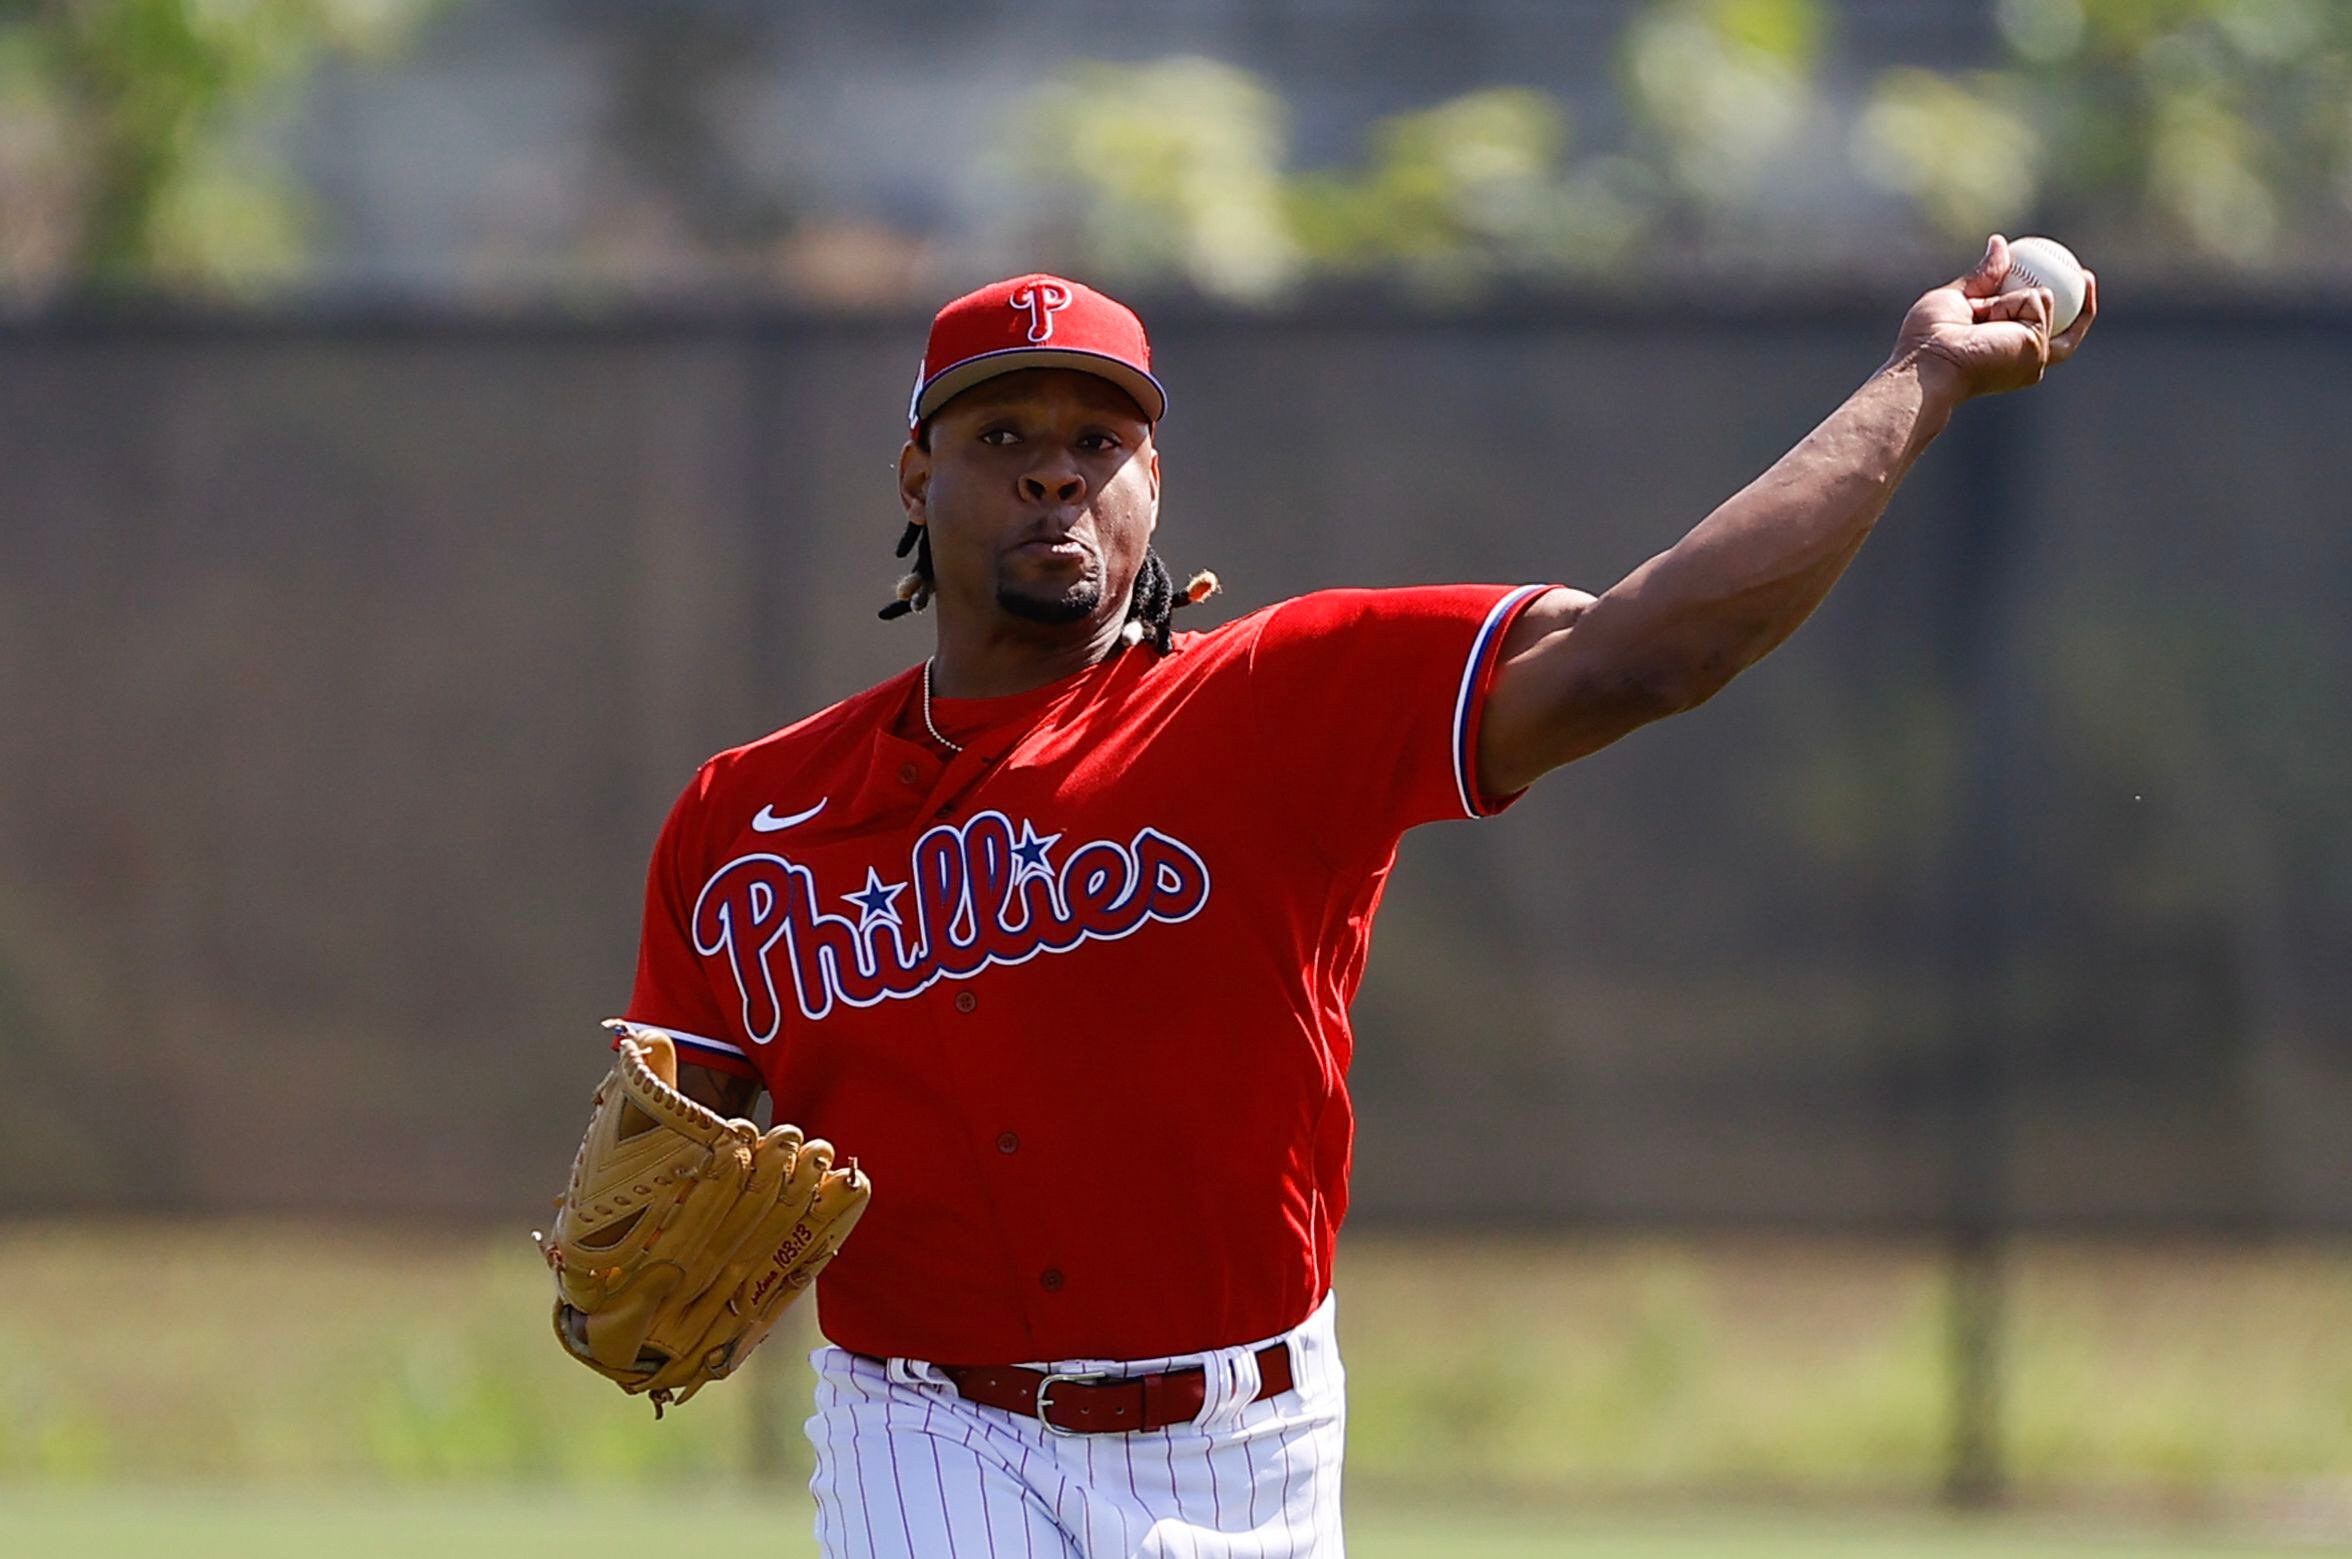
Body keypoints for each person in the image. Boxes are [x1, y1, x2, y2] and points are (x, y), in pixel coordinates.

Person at [617, 241, 2096, 1557]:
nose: (1055, 470)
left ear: (1153, 483)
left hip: (1242, 1444)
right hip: (921, 1426)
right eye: (1001, 435)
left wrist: (1919, 381)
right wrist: (613, 1266)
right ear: (915, 478)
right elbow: (679, 1128)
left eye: (1099, 437)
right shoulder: (748, 817)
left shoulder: (1280, 701)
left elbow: (1655, 652)